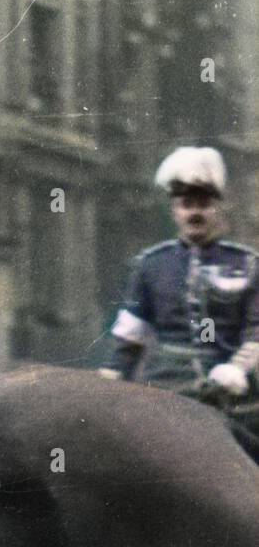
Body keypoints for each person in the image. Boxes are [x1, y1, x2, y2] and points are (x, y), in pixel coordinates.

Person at [102, 146, 259, 397]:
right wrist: (110, 378)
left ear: (217, 208)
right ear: (175, 210)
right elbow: (130, 340)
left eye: (204, 204)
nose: (195, 213)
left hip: (229, 389)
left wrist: (236, 370)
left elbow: (256, 334)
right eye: (187, 204)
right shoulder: (151, 264)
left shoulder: (247, 264)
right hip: (163, 388)